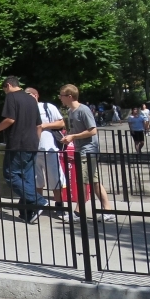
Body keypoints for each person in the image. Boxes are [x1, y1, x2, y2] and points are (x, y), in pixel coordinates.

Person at [0, 76, 45, 224]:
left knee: (10, 174)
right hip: (32, 143)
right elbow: (39, 125)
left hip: (18, 143)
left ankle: (38, 200)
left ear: (8, 85)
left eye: (4, 89)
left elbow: (10, 119)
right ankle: (28, 212)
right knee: (27, 178)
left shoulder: (11, 97)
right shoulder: (32, 99)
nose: (5, 92)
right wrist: (36, 142)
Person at [59, 84, 116, 222]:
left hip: (88, 151)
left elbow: (93, 130)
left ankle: (78, 213)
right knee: (94, 181)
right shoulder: (71, 111)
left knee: (82, 182)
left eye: (62, 95)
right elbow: (75, 131)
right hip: (81, 150)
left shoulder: (83, 110)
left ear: (70, 96)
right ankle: (108, 211)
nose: (60, 98)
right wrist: (69, 137)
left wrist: (73, 137)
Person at [26, 87, 69, 220]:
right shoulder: (24, 109)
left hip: (49, 149)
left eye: (30, 94)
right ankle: (38, 206)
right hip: (32, 150)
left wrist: (44, 125)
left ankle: (59, 206)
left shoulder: (47, 107)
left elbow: (61, 122)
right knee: (36, 181)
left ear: (36, 95)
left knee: (55, 179)